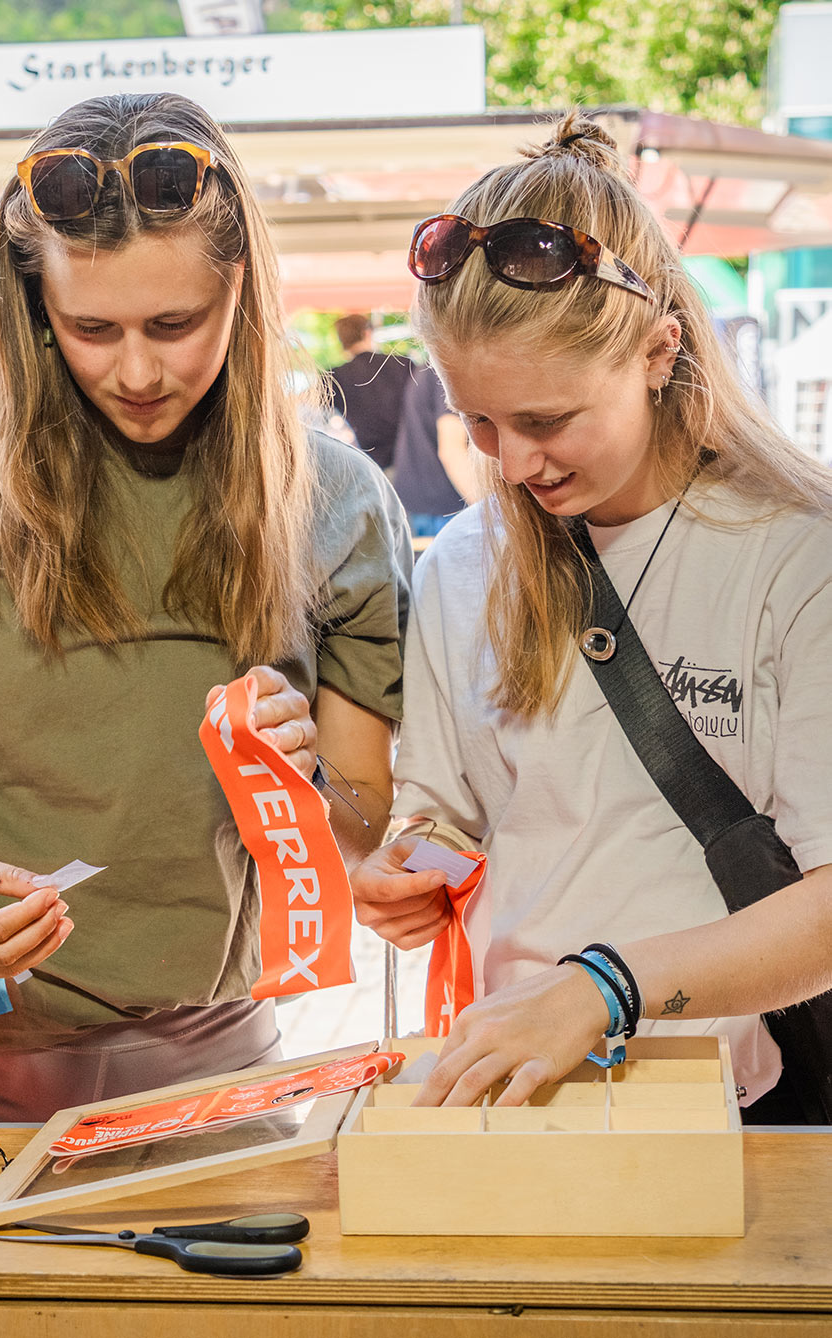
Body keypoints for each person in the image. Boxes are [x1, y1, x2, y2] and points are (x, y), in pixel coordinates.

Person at [0, 91, 411, 1218]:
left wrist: (304, 787)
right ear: (33, 303)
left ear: (243, 286)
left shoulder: (339, 501)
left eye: (176, 322)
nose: (138, 372)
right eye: (92, 329)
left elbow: (365, 832)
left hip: (212, 1069)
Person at [351, 112, 832, 1123]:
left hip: (729, 1098)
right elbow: (454, 814)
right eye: (475, 420)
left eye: (545, 421)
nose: (512, 463)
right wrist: (410, 866)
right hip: (513, 1091)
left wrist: (602, 988)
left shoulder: (795, 555)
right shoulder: (462, 570)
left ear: (660, 352)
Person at [391, 361, 474, 539]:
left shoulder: (431, 367)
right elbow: (452, 451)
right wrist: (496, 513)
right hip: (446, 505)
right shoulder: (450, 368)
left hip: (422, 499)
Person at [327, 315, 415, 471]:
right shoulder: (403, 364)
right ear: (367, 333)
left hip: (372, 464)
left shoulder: (335, 378)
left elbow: (302, 405)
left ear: (342, 341)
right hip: (411, 456)